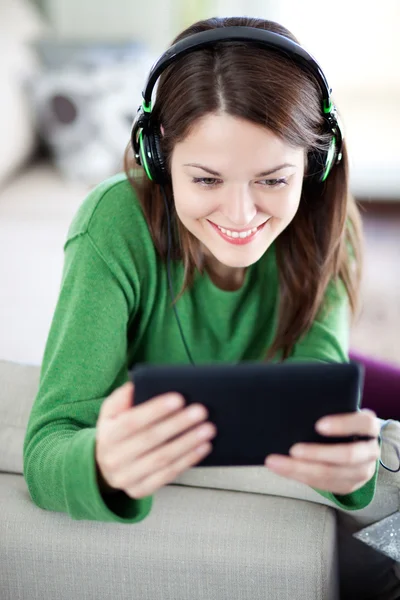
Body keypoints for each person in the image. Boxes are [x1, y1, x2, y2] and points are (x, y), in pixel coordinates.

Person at [23, 15, 399, 597]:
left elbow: (318, 374)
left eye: (274, 180)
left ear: (315, 165)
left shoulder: (328, 224)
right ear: (159, 159)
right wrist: (99, 464)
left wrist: (352, 474)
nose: (242, 216)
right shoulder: (112, 225)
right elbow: (49, 442)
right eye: (205, 180)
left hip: (285, 364)